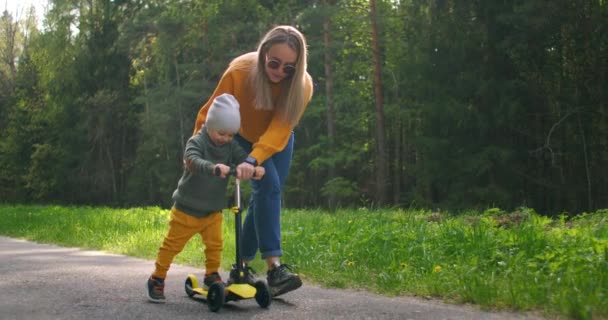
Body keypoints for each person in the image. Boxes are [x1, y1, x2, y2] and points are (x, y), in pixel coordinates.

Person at [192, 25, 313, 297]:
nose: (280, 71)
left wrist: (255, 159)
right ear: (263, 55)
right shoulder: (240, 72)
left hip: (277, 138)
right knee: (268, 186)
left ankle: (241, 268)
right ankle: (275, 269)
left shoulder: (302, 86)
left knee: (267, 193)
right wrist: (196, 152)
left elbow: (280, 130)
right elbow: (211, 112)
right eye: (274, 63)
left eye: (289, 68)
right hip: (241, 134)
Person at [147, 93, 265, 303]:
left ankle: (211, 275)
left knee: (215, 244)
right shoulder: (197, 141)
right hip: (187, 209)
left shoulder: (230, 146)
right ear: (210, 125)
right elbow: (191, 160)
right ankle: (157, 278)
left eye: (230, 135)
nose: (226, 139)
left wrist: (253, 167)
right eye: (222, 133)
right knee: (172, 246)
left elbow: (242, 158)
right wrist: (212, 168)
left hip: (213, 210)